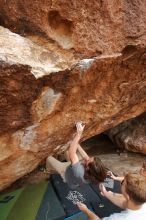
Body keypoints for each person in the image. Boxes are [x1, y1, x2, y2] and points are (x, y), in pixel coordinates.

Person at [46, 122, 107, 189]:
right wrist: (77, 144)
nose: (88, 158)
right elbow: (85, 157)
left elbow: (72, 152)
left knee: (49, 158)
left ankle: (49, 171)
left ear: (88, 168)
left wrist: (79, 134)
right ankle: (68, 163)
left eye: (89, 160)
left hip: (65, 173)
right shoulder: (94, 175)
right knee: (66, 151)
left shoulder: (79, 171)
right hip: (74, 174)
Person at [77, 172, 146, 219]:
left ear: (127, 196)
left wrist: (86, 210)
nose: (120, 183)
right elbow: (125, 202)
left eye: (122, 183)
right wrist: (106, 193)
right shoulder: (139, 202)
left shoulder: (119, 218)